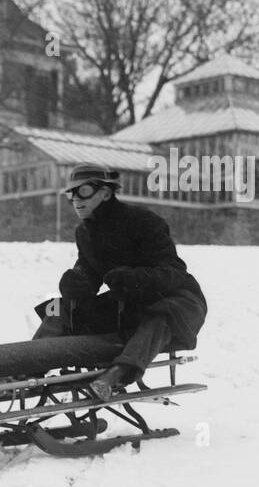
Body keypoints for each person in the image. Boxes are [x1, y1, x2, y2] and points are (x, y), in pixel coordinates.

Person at [33, 164, 207, 400]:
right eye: (71, 193)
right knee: (58, 307)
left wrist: (136, 280)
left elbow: (173, 270)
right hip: (127, 304)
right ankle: (27, 369)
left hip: (176, 300)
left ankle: (117, 375)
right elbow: (89, 272)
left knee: (162, 315)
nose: (75, 199)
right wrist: (77, 282)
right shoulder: (84, 233)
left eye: (83, 191)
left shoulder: (142, 221)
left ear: (105, 193)